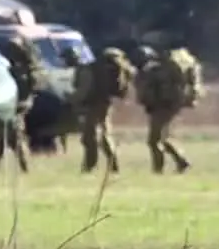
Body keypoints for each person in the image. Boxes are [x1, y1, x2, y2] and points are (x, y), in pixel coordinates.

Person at [135, 44, 200, 174]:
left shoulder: (156, 70)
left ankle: (158, 169)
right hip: (168, 105)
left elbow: (153, 90)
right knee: (162, 138)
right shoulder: (162, 67)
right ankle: (182, 162)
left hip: (163, 105)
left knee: (154, 140)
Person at [64, 46, 120, 174]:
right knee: (103, 137)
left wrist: (70, 98)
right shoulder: (87, 69)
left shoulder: (85, 70)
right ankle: (113, 166)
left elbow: (83, 91)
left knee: (89, 138)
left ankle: (90, 166)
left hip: (94, 106)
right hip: (101, 104)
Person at [0, 35, 43, 172]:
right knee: (0, 136)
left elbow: (31, 90)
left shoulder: (27, 70)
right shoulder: (13, 66)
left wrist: (22, 104)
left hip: (18, 106)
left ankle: (25, 166)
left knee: (16, 137)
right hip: (10, 105)